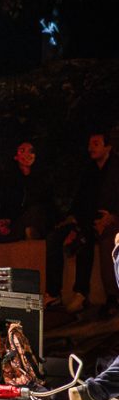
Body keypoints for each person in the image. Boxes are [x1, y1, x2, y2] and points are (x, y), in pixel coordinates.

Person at [48, 129, 119, 314]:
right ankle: (58, 293)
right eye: (89, 144)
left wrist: (112, 216)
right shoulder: (90, 171)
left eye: (96, 144)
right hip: (90, 219)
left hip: (112, 219)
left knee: (107, 243)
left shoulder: (116, 168)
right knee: (59, 237)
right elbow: (81, 200)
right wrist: (74, 220)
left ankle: (112, 297)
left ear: (108, 147)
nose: (90, 148)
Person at [0, 140, 52, 242]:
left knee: (35, 212)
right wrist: (5, 219)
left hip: (36, 218)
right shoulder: (9, 179)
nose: (27, 154)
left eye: (31, 151)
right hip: (17, 219)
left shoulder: (42, 178)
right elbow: (6, 203)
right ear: (15, 156)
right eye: (22, 151)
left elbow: (47, 203)